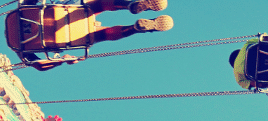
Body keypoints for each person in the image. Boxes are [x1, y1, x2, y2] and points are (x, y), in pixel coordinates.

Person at [18, 0, 173, 71]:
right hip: (63, 16)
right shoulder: (22, 12)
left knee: (102, 35)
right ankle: (130, 5)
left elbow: (38, 65)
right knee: (98, 4)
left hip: (67, 38)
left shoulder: (20, 48)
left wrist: (61, 60)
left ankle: (134, 28)